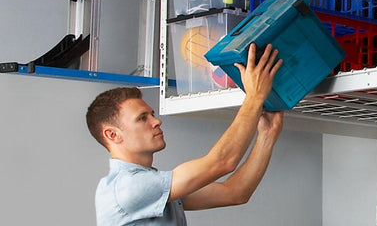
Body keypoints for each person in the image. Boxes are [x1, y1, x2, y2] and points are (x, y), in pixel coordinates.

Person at [87, 43, 284, 225]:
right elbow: (222, 163)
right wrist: (254, 96)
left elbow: (234, 192)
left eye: (152, 114)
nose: (156, 121)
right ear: (112, 135)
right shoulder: (127, 188)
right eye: (142, 118)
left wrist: (267, 135)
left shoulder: (154, 186)